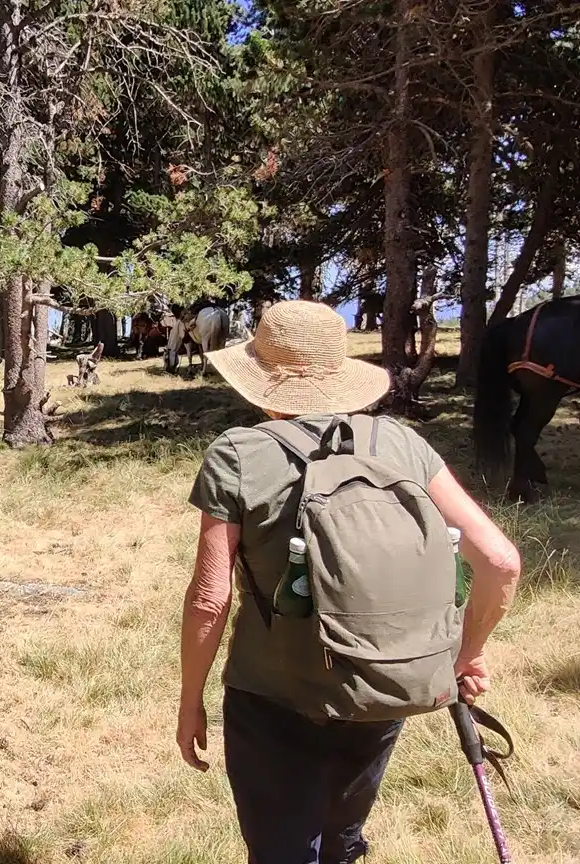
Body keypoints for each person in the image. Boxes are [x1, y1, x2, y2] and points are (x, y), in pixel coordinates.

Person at [175, 299, 523, 864]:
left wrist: (190, 701)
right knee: (341, 842)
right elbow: (501, 561)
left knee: (283, 852)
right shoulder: (402, 443)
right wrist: (466, 653)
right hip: (380, 682)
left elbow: (209, 600)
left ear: (261, 379)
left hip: (272, 695)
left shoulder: (237, 454)